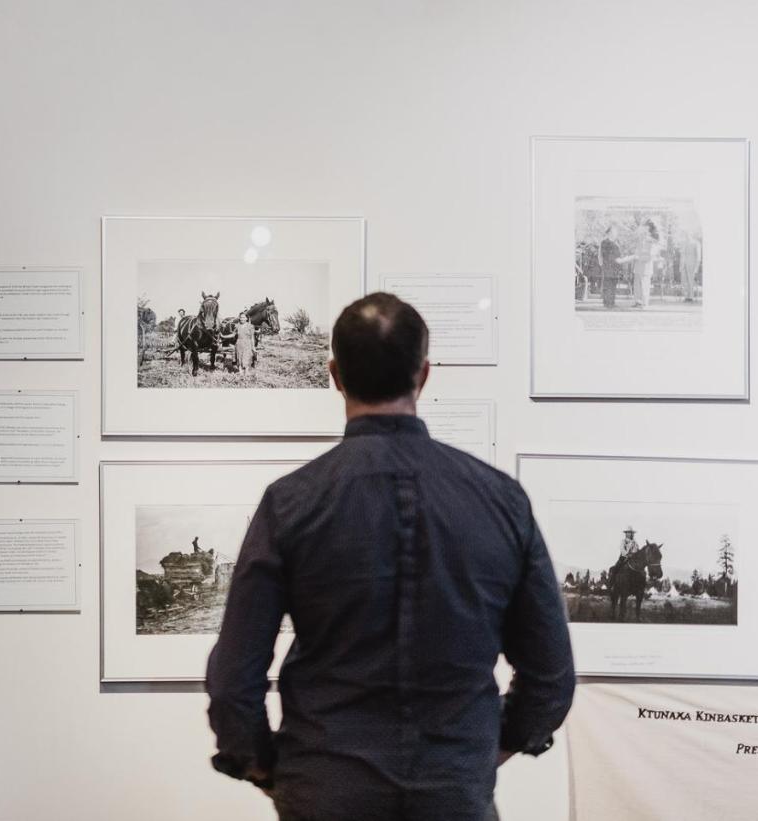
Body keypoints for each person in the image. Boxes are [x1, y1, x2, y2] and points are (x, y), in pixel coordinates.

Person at [206, 292, 575, 821]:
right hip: (454, 798)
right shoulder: (501, 500)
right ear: (423, 376)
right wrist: (482, 756)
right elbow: (551, 674)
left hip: (325, 794)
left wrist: (267, 767)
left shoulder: (289, 502)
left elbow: (234, 680)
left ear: (334, 375)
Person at [599, 223, 621, 308]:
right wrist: (616, 259)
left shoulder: (616, 242)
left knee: (613, 284)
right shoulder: (605, 242)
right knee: (608, 284)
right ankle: (607, 302)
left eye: (616, 232)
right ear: (609, 233)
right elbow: (605, 255)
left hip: (615, 267)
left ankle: (612, 302)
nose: (615, 233)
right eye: (614, 232)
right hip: (608, 266)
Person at [680, 234, 701, 302]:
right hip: (684, 264)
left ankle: (691, 296)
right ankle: (686, 296)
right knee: (684, 280)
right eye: (686, 233)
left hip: (692, 264)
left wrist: (696, 267)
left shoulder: (696, 243)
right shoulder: (683, 243)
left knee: (691, 280)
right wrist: (680, 265)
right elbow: (682, 254)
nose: (687, 235)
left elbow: (698, 256)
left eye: (689, 233)